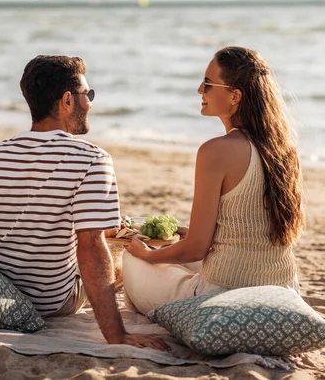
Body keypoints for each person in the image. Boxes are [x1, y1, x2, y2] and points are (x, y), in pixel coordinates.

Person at [0, 55, 168, 351]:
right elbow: (91, 248)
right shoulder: (93, 159)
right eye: (87, 95)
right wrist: (117, 335)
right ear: (67, 101)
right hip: (52, 301)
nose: (90, 103)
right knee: (117, 254)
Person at [123, 46, 304, 315]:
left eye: (208, 84)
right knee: (171, 254)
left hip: (222, 296)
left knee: (132, 259)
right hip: (283, 290)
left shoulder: (215, 151)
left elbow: (195, 249)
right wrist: (187, 235)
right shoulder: (283, 149)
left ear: (235, 96)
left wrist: (148, 255)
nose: (199, 90)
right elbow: (250, 230)